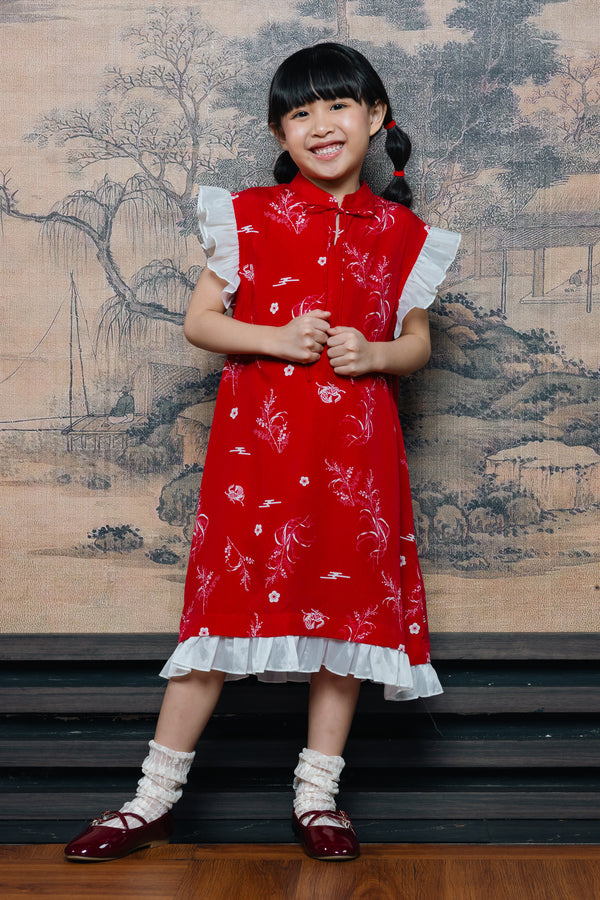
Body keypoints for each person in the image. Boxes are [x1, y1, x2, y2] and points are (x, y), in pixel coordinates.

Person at [65, 42, 460, 863]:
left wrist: (376, 354)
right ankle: (151, 799)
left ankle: (318, 797)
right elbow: (200, 323)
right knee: (221, 612)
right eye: (299, 113)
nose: (321, 124)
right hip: (258, 459)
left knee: (345, 623)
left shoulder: (404, 233)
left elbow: (417, 343)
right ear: (281, 134)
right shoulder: (247, 215)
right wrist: (277, 338)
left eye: (338, 105)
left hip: (356, 460)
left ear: (376, 118)